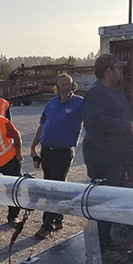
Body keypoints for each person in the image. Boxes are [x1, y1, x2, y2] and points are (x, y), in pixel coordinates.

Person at [83, 54, 133, 263]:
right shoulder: (96, 93)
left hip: (116, 158)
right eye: (118, 68)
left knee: (110, 201)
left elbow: (124, 114)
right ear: (108, 71)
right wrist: (125, 126)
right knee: (102, 203)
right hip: (103, 160)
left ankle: (105, 240)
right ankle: (98, 250)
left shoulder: (114, 93)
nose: (121, 72)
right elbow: (96, 120)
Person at [30, 73, 83, 239]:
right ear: (57, 87)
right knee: (51, 185)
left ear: (73, 86)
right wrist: (33, 146)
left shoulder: (80, 103)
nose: (66, 87)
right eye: (63, 84)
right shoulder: (51, 103)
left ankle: (47, 225)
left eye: (68, 84)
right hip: (47, 151)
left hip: (63, 152)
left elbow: (93, 121)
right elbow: (42, 126)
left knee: (54, 188)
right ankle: (58, 218)